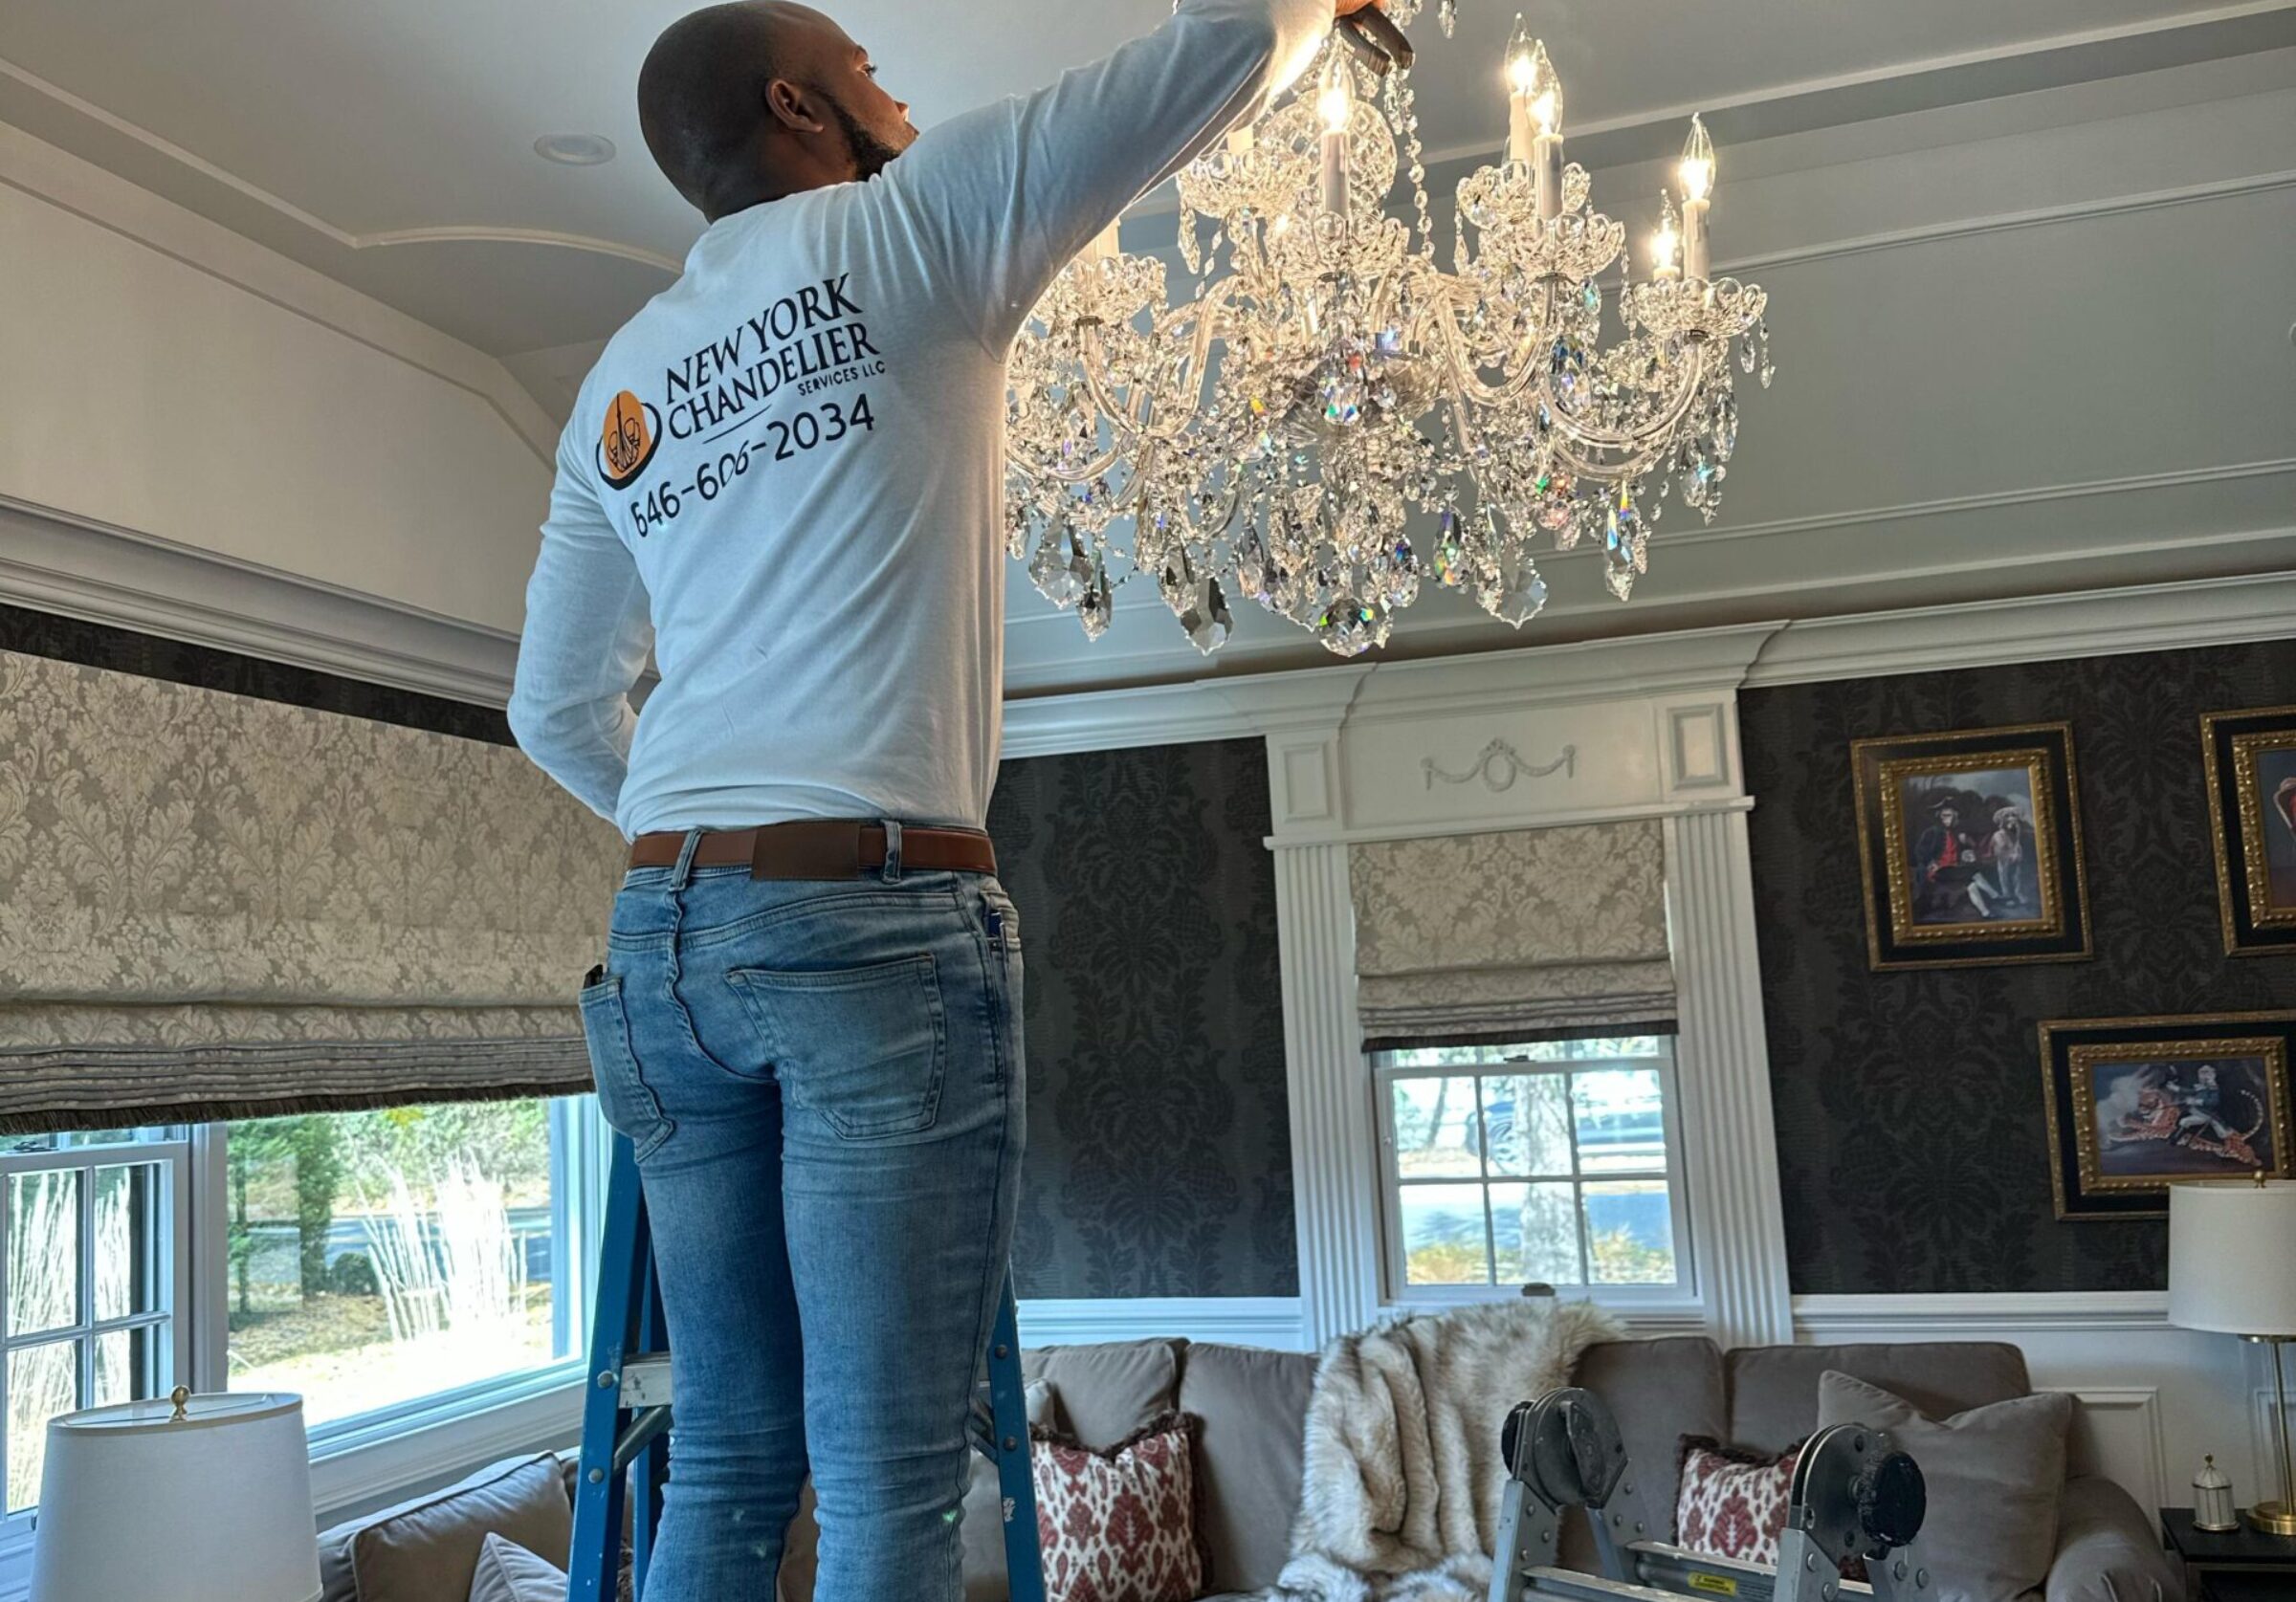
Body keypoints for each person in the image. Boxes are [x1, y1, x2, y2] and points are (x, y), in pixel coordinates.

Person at [506, 2, 1370, 1598]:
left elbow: (549, 710)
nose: (894, 93)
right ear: (799, 105)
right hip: (869, 933)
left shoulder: (620, 386)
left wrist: (712, 857)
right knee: (889, 1471)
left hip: (658, 954)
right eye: (867, 68)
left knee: (730, 1451)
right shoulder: (914, 229)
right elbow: (1238, 32)